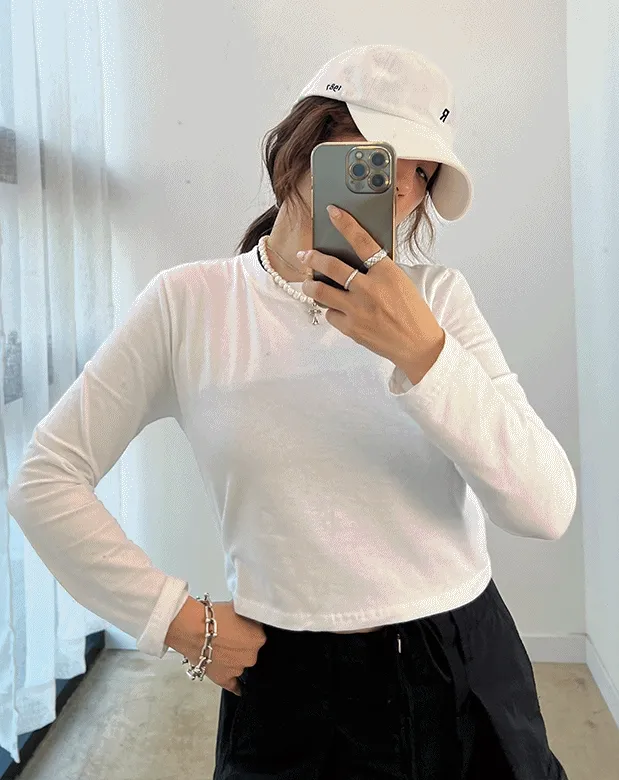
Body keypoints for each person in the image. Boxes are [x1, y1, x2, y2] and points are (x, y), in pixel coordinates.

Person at [6, 44, 576, 780]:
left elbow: (545, 507)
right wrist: (177, 621)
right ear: (306, 145)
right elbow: (45, 478)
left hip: (460, 661)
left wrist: (425, 353)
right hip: (286, 682)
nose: (404, 189)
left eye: (425, 173)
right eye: (382, 158)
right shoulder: (189, 304)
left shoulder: (437, 301)